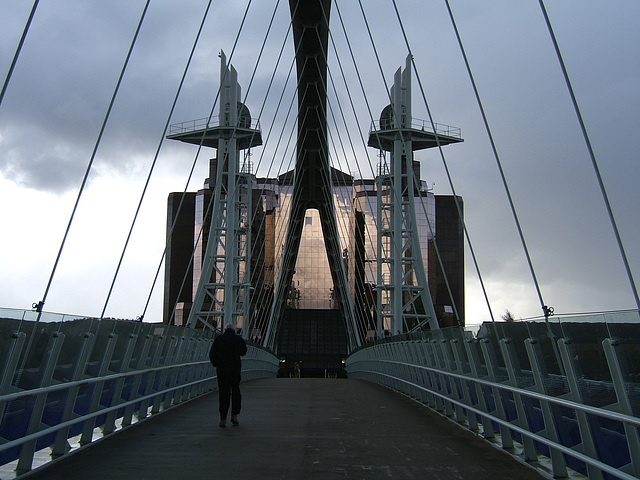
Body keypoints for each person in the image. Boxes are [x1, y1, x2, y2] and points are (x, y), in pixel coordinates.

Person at [209, 323, 247, 427]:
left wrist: (216, 364)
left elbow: (212, 354)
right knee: (236, 392)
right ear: (234, 330)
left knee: (223, 393)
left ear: (225, 330)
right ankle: (234, 416)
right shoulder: (238, 339)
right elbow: (244, 352)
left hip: (222, 370)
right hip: (235, 370)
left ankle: (223, 418)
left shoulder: (219, 339)